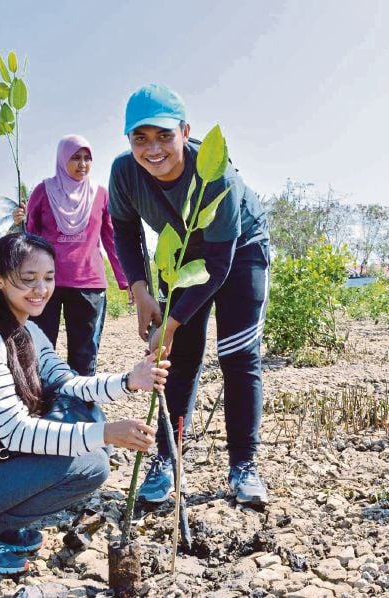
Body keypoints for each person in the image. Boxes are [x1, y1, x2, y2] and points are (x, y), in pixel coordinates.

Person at [0, 233, 169, 574]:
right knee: (90, 465)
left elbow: (70, 383)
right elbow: (15, 432)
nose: (41, 290)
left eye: (48, 278)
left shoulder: (27, 331)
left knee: (86, 418)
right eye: (28, 280)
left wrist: (131, 380)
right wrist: (106, 433)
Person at [108, 84, 271, 505]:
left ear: (185, 131)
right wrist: (142, 293)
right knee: (178, 360)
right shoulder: (125, 172)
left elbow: (217, 265)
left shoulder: (218, 177)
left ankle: (243, 466)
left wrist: (173, 322)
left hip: (238, 250)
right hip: (180, 256)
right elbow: (125, 231)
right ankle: (165, 460)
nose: (153, 149)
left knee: (237, 354)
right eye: (140, 138)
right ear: (129, 140)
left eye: (164, 135)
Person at [13, 134, 128, 376]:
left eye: (87, 158)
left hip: (89, 285)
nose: (82, 164)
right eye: (75, 158)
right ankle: (40, 403)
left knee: (84, 353)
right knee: (40, 349)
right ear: (62, 159)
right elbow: (30, 238)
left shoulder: (101, 195)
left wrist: (126, 280)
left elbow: (111, 238)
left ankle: (80, 406)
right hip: (45, 285)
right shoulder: (43, 191)